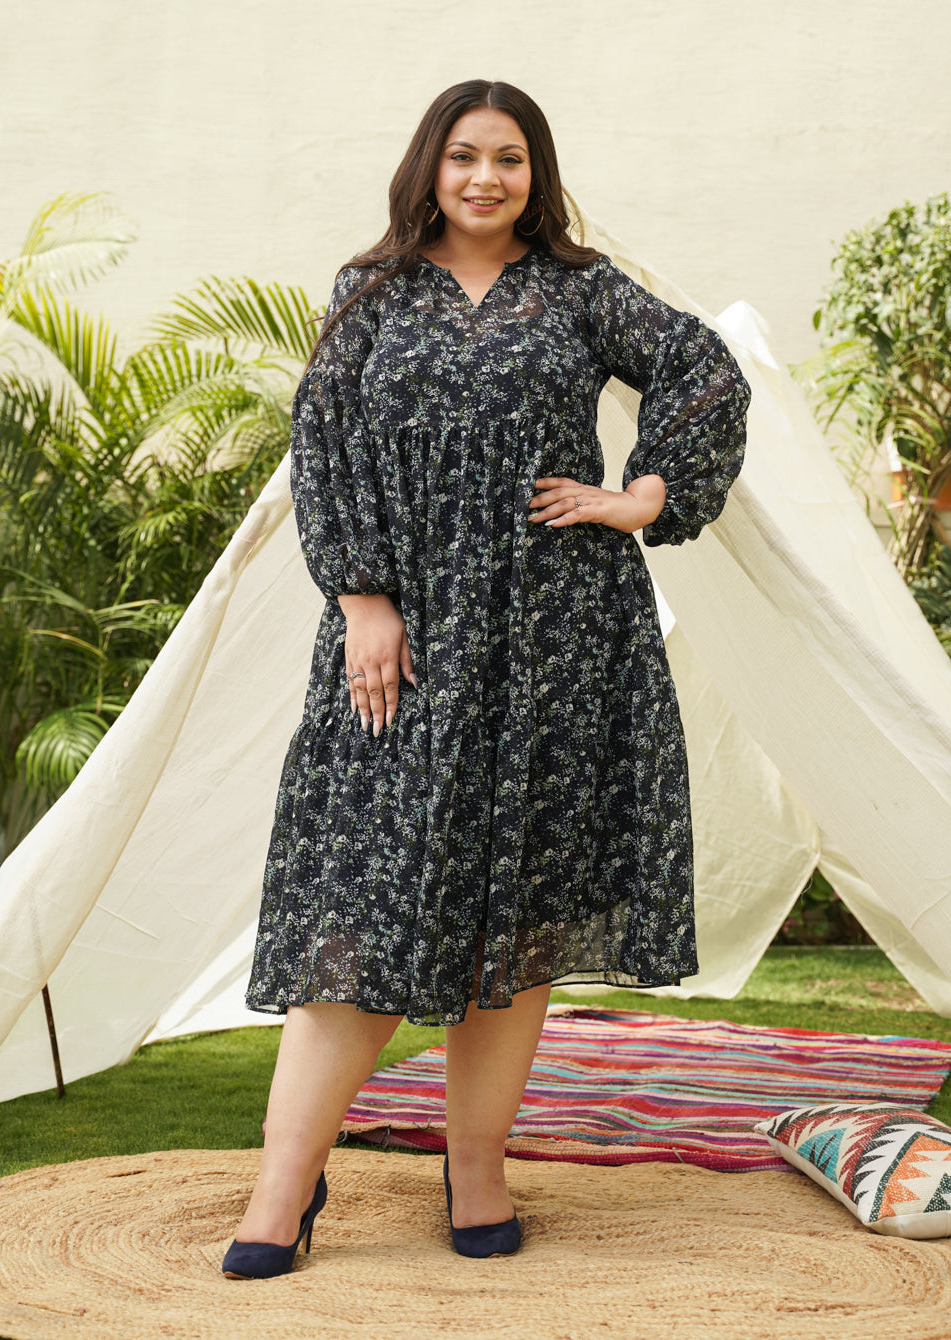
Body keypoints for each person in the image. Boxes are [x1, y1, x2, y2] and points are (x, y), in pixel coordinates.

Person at [221, 79, 752, 1278]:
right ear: (430, 165)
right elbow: (324, 445)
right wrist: (362, 597)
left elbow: (704, 370)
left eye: (508, 158)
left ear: (535, 174)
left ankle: (476, 1169)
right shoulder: (371, 293)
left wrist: (641, 497)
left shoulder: (581, 290)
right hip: (403, 645)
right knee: (362, 910)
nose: (484, 178)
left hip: (558, 637)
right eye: (464, 156)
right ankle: (282, 1185)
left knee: (515, 914)